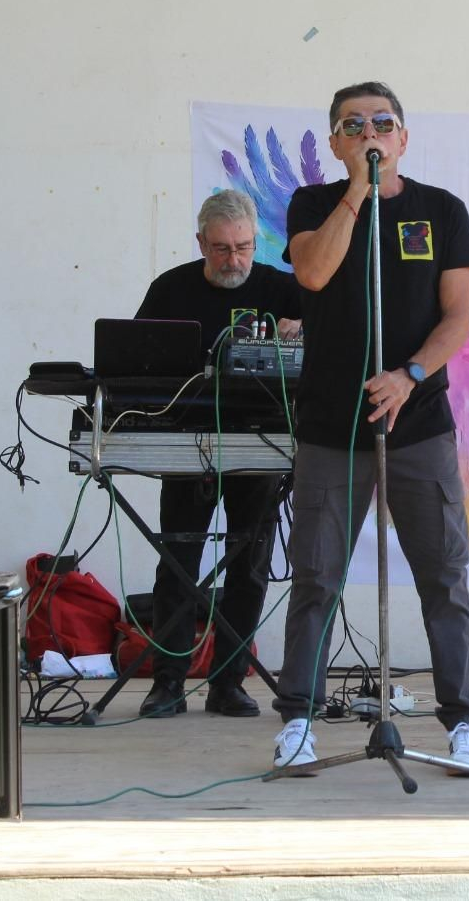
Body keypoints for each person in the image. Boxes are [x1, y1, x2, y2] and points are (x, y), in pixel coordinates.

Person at [271, 81, 469, 774]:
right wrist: (356, 195)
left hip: (419, 422)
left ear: (404, 137)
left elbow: (457, 317)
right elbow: (311, 271)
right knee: (317, 576)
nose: (370, 132)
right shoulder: (315, 205)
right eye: (353, 124)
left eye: (383, 122)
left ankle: (461, 725)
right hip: (331, 428)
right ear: (338, 143)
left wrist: (410, 377)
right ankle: (298, 721)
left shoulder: (441, 211)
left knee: (443, 578)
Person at [134, 188, 302, 719]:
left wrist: (303, 334)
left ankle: (229, 682)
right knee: (178, 563)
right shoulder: (170, 290)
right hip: (190, 443)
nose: (235, 261)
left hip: (262, 443)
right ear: (201, 242)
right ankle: (167, 682)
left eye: (245, 248)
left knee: (248, 568)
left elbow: (328, 355)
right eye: (223, 249)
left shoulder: (285, 290)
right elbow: (137, 364)